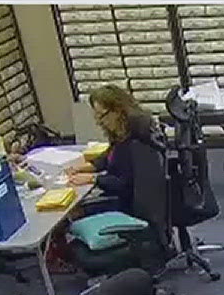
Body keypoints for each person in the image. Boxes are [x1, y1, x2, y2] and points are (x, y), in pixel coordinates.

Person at [66, 84, 156, 215]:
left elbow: (125, 184)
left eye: (101, 116)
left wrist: (94, 179)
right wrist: (89, 166)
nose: (98, 122)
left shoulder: (136, 142)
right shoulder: (123, 133)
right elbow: (111, 155)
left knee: (74, 212)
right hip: (123, 198)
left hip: (130, 206)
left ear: (118, 111)